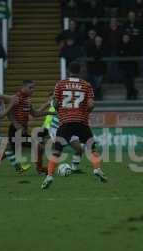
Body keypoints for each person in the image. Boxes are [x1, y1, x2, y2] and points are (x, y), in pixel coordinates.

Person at [41, 62, 107, 190]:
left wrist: (60, 109)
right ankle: (97, 169)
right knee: (91, 148)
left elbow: (54, 102)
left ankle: (49, 176)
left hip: (65, 122)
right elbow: (92, 104)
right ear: (81, 70)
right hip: (81, 122)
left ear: (68, 70)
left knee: (57, 150)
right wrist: (85, 113)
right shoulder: (86, 85)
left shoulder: (60, 84)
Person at [86, 35, 108, 100]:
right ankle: (96, 96)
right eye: (97, 40)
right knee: (95, 83)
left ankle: (98, 95)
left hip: (101, 68)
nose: (98, 41)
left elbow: (103, 54)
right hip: (93, 68)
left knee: (98, 83)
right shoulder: (91, 47)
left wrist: (97, 56)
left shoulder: (104, 47)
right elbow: (91, 55)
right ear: (95, 41)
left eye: (99, 40)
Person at [118, 34, 138, 100]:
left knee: (131, 81)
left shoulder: (133, 45)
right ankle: (133, 92)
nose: (125, 39)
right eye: (124, 38)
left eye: (127, 38)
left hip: (131, 66)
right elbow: (119, 54)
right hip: (123, 66)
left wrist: (123, 53)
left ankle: (129, 93)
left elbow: (133, 53)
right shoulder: (120, 45)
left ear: (129, 38)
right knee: (125, 81)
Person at [105, 17, 122, 83]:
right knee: (110, 66)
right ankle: (110, 80)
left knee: (117, 66)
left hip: (117, 50)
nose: (113, 23)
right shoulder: (107, 30)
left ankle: (117, 79)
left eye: (114, 21)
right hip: (109, 51)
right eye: (112, 21)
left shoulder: (120, 30)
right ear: (110, 23)